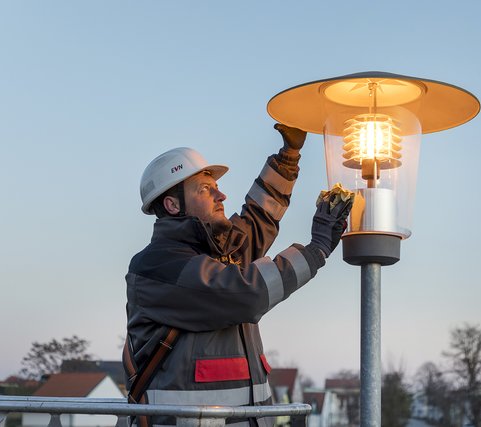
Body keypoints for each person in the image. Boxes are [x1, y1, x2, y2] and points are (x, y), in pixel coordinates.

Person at [123, 124, 353, 427]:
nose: (221, 194)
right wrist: (317, 249)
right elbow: (247, 294)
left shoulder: (217, 254)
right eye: (206, 189)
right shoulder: (158, 266)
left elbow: (258, 218)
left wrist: (288, 157)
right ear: (172, 204)